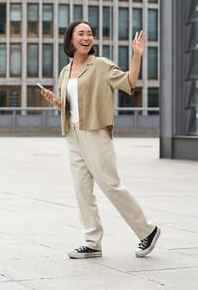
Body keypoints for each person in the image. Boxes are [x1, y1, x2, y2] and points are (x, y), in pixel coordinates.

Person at [40, 20, 161, 259]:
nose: (87, 38)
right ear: (71, 40)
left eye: (90, 34)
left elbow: (129, 83)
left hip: (95, 131)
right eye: (81, 34)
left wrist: (136, 56)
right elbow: (69, 104)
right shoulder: (65, 71)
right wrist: (55, 101)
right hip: (72, 133)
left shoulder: (101, 65)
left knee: (111, 185)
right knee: (82, 190)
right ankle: (92, 242)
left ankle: (148, 230)